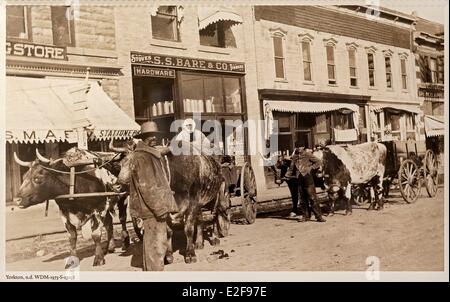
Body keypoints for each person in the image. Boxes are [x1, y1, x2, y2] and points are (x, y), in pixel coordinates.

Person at [128, 121, 179, 271]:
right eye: (152, 136)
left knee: (154, 242)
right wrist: (159, 209)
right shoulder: (143, 157)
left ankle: (152, 271)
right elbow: (147, 187)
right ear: (144, 138)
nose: (155, 139)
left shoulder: (148, 154)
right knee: (156, 244)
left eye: (156, 135)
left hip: (153, 207)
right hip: (152, 209)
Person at [286, 146, 326, 223]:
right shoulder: (294, 157)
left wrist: (310, 168)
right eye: (297, 148)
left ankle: (319, 216)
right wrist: (287, 176)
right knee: (302, 199)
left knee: (312, 198)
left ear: (303, 147)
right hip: (299, 179)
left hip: (308, 178)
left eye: (300, 147)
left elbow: (319, 162)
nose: (299, 149)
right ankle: (306, 216)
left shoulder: (308, 154)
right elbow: (291, 168)